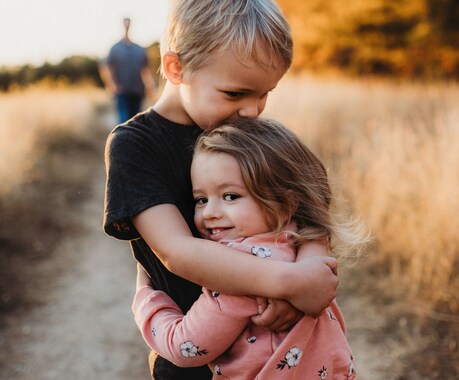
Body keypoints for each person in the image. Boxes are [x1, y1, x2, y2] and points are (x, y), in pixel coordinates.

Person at [104, 1, 339, 378]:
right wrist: (289, 283)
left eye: (264, 94)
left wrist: (308, 271)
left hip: (283, 354)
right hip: (196, 359)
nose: (252, 110)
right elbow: (177, 252)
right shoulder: (136, 145)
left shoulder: (247, 133)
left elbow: (310, 208)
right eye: (235, 94)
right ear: (175, 68)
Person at [132, 118, 364, 379]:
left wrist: (147, 299)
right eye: (201, 199)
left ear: (284, 203)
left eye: (230, 196)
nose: (210, 213)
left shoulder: (240, 271)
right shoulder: (299, 243)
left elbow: (184, 347)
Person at [99, 17, 155, 123]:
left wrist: (149, 86)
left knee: (136, 121)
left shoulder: (139, 49)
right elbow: (106, 67)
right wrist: (112, 85)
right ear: (122, 25)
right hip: (122, 91)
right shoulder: (115, 48)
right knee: (124, 121)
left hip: (137, 91)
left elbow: (146, 70)